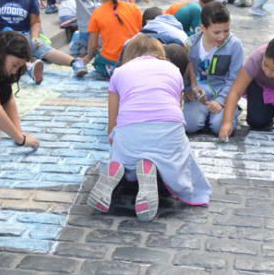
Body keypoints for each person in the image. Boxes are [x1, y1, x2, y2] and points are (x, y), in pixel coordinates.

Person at [88, 36, 212, 221]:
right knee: (180, 155)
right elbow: (177, 110)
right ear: (161, 54)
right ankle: (149, 167)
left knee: (123, 150)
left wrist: (115, 141)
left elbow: (112, 121)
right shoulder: (173, 70)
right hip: (168, 133)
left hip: (131, 136)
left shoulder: (120, 72)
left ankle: (120, 166)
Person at [183, 2, 244, 135]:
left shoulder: (235, 45)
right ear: (203, 28)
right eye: (216, 32)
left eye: (226, 30)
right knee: (189, 125)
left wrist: (221, 101)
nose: (222, 36)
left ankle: (224, 114)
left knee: (218, 127)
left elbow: (235, 79)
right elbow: (184, 73)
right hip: (197, 97)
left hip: (222, 94)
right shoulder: (190, 44)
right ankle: (203, 116)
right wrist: (188, 90)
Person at [85, 0, 143, 78]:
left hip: (112, 62)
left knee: (98, 62)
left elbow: (93, 46)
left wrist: (87, 59)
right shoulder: (134, 9)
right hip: (134, 58)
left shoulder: (97, 14)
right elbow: (141, 34)